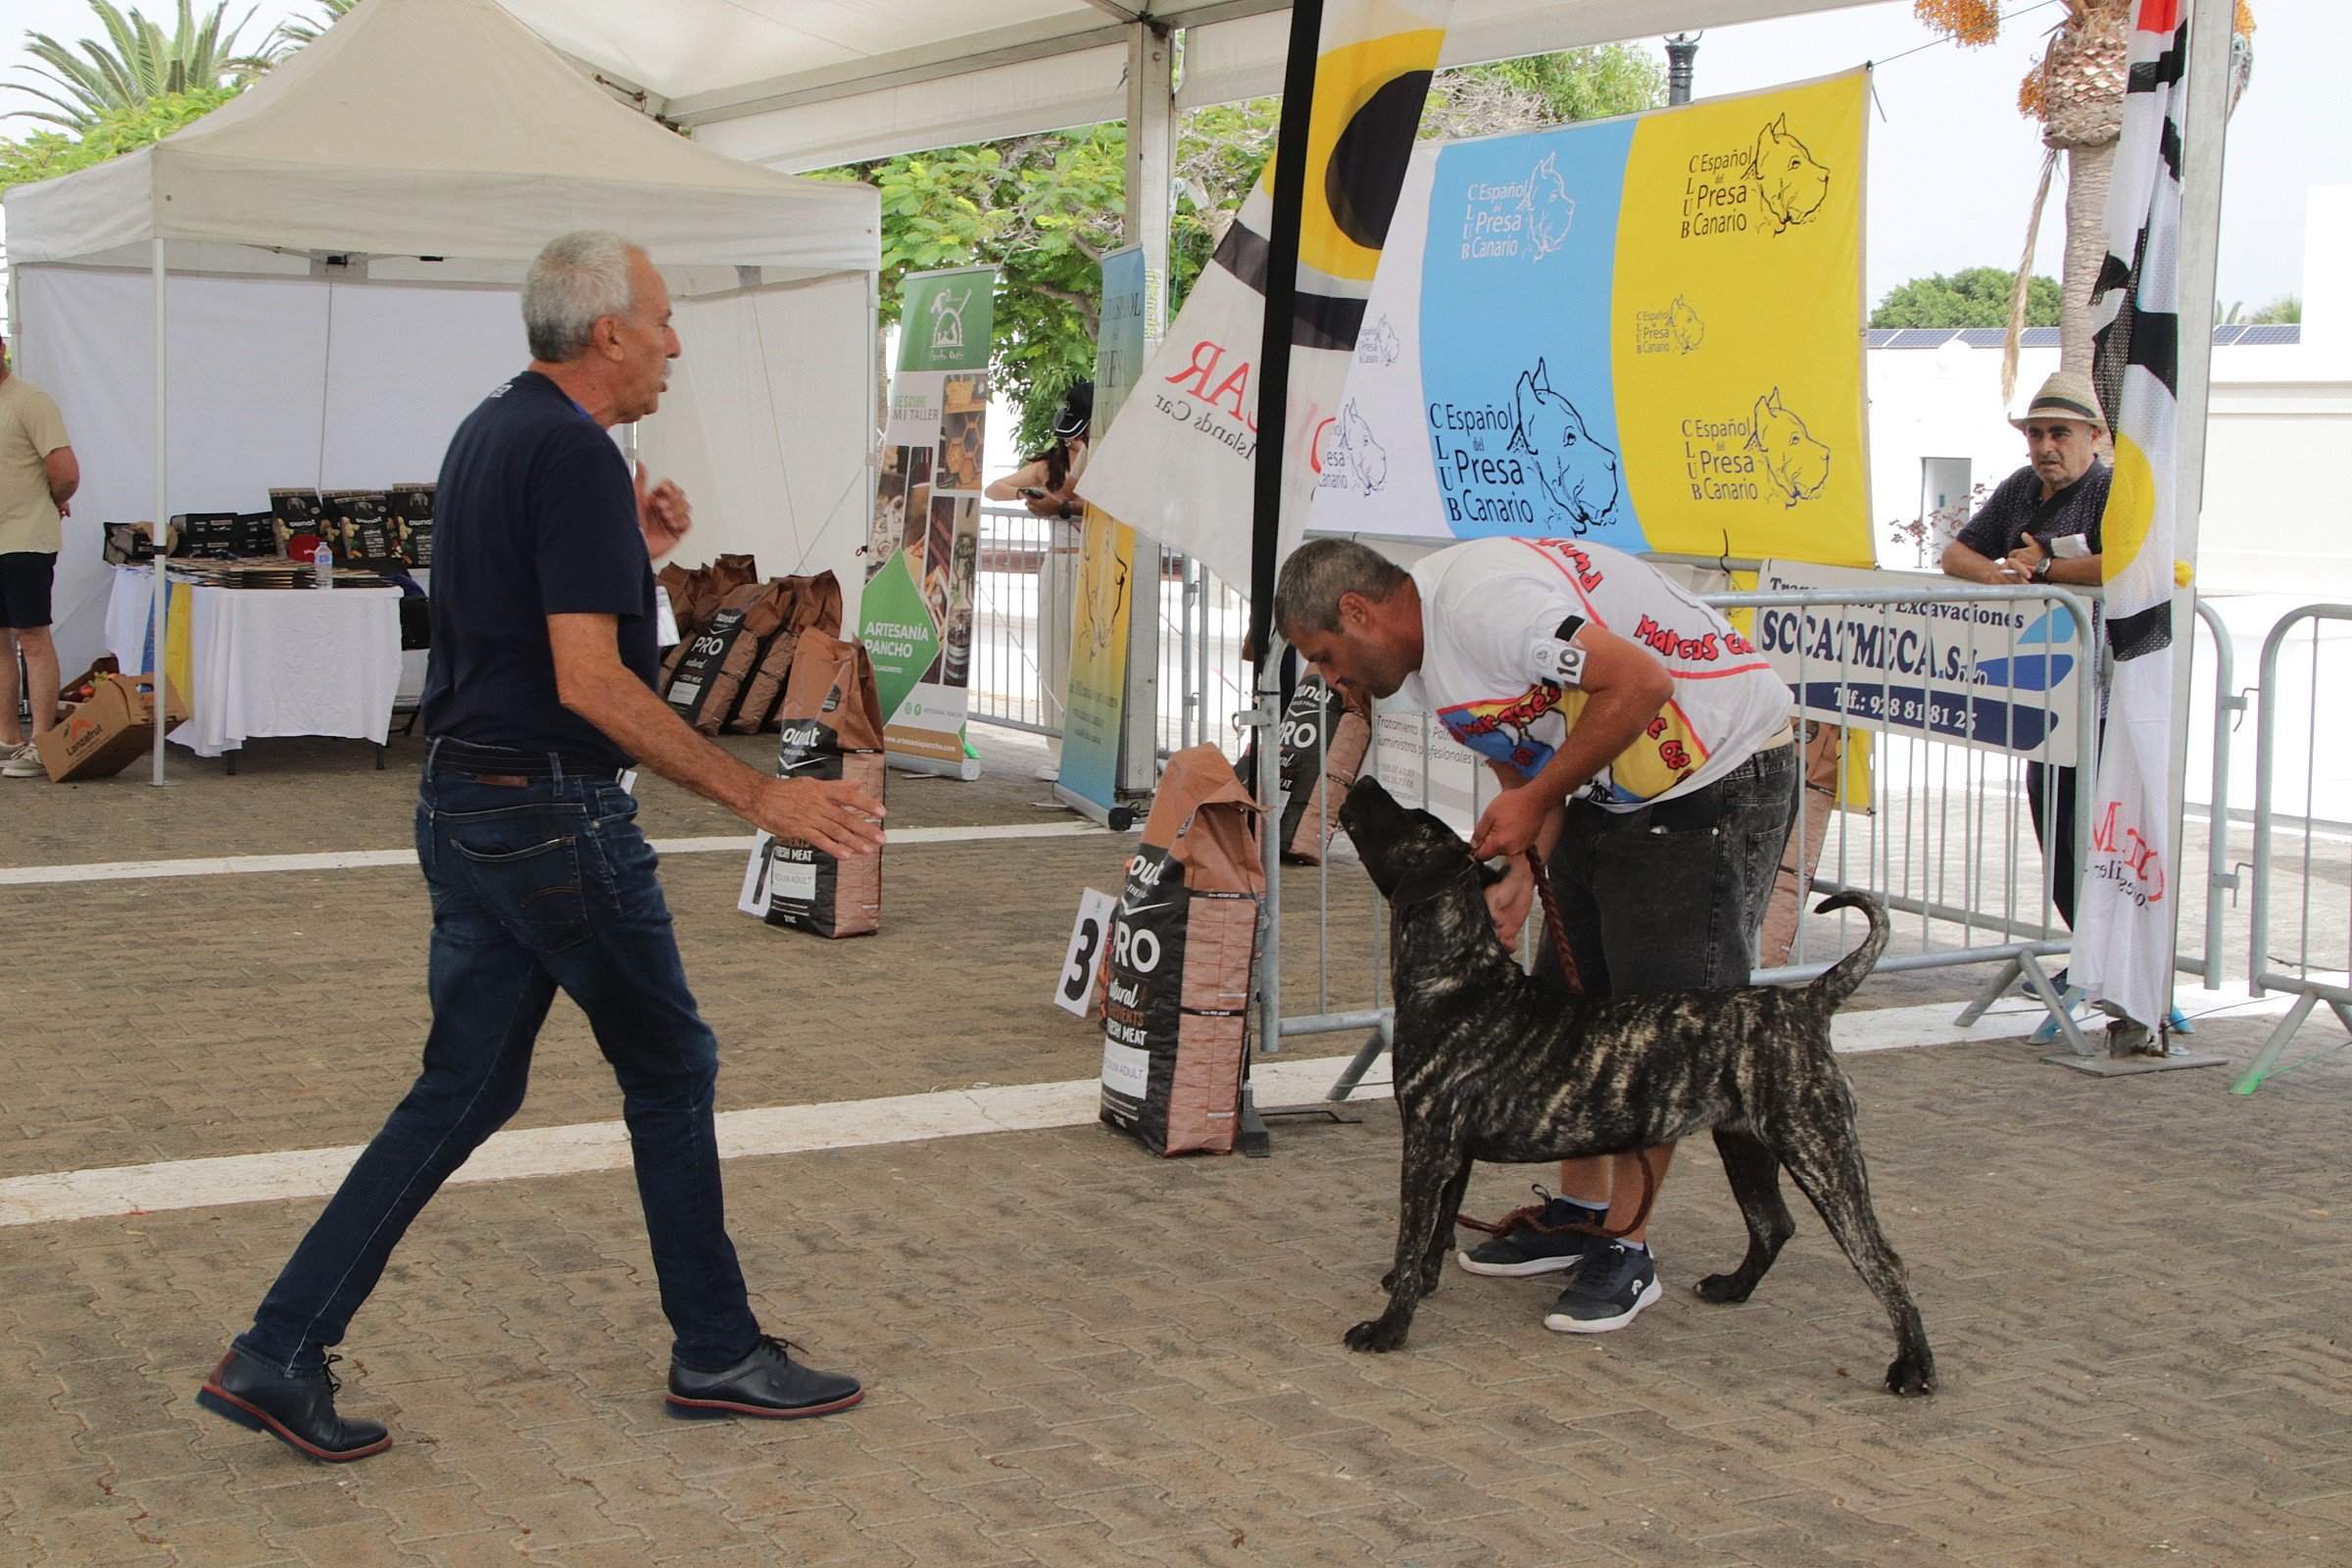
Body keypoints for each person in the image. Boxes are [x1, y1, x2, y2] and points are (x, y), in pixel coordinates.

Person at [197, 231, 887, 1463]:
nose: (677, 343)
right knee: (670, 1068)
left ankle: (279, 1349)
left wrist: (641, 556)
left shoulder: (496, 429)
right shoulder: (568, 452)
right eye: (665, 320)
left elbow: (524, 617)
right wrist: (755, 797)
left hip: (469, 801)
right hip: (550, 813)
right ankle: (718, 1349)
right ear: (608, 330)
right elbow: (586, 681)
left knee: (465, 1086)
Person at [1273, 535, 1798, 1335]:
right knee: (1564, 1001)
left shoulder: (1485, 607)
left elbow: (1642, 681)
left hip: (1714, 775)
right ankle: (1581, 1209)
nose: (1327, 677)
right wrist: (1526, 860)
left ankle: (1627, 1247)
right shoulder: (1432, 654)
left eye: (1324, 653)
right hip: (1616, 785)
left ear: (1358, 610)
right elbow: (1522, 759)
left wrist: (1540, 798)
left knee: (1658, 1023)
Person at [1939, 369, 2108, 933]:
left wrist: (2047, 569)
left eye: (2059, 433)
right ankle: (2085, 947)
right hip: (2043, 689)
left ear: (2094, 436)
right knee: (2055, 824)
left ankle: (2118, 963)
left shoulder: (2111, 491)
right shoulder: (2019, 487)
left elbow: (2133, 563)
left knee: (2097, 829)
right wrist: (1995, 576)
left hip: (2106, 689)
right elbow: (1956, 554)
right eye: (2035, 435)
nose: (2045, 447)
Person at [0, 332, 79, 779]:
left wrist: (48, 499)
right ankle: (7, 738)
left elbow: (66, 472)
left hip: (26, 540)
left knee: (31, 637)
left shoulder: (31, 401)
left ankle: (42, 741)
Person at [984, 380, 1092, 519]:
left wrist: (1062, 506)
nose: (1082, 439)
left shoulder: (1099, 455)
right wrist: (1026, 494)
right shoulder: (1048, 467)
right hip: (1065, 539)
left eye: (1084, 432)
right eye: (1074, 433)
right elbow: (992, 490)